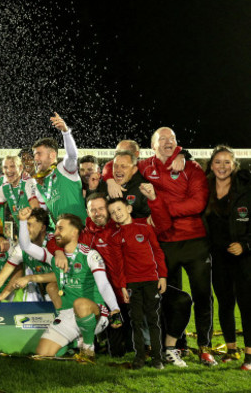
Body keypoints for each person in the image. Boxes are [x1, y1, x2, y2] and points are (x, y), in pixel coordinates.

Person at [133, 127, 215, 365]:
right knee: (168, 296)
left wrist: (160, 210)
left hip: (194, 242)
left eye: (173, 139)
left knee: (202, 295)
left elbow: (197, 203)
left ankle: (205, 347)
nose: (169, 143)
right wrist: (108, 180)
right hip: (165, 243)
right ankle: (176, 345)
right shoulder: (145, 167)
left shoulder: (191, 168)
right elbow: (117, 166)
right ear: (153, 145)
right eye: (163, 139)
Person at [17, 211, 123, 361]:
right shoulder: (53, 257)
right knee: (42, 355)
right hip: (67, 314)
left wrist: (115, 309)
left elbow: (104, 284)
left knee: (80, 304)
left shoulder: (90, 255)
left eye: (61, 228)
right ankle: (75, 341)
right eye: (56, 229)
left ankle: (88, 347)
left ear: (74, 232)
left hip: (96, 314)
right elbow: (26, 246)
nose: (56, 233)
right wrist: (22, 221)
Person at [0, 208, 59, 319]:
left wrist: (30, 278)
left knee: (51, 287)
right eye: (24, 225)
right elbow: (1, 277)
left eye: (30, 225)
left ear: (42, 228)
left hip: (65, 285)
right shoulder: (20, 249)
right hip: (41, 285)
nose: (25, 230)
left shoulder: (55, 245)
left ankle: (66, 324)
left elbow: (64, 275)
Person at [204, 145, 251, 370]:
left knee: (247, 304)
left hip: (242, 257)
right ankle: (231, 350)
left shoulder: (245, 189)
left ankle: (250, 356)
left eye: (227, 162)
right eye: (218, 162)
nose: (222, 166)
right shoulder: (205, 188)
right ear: (211, 165)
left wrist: (245, 245)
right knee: (225, 303)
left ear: (234, 165)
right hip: (217, 256)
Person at [107, 198, 167, 369]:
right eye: (113, 212)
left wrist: (162, 275)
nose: (117, 214)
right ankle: (139, 356)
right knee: (136, 321)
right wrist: (122, 287)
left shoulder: (145, 228)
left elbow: (157, 251)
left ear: (129, 208)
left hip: (151, 280)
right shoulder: (115, 237)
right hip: (133, 283)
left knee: (153, 319)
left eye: (119, 209)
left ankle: (157, 357)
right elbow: (118, 265)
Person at [31, 113, 86, 223]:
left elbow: (72, 155)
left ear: (52, 155)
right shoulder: (39, 184)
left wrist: (65, 132)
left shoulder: (64, 169)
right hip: (61, 234)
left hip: (82, 232)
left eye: (39, 154)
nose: (35, 158)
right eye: (34, 155)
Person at [0, 156, 39, 234]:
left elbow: (38, 212)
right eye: (5, 167)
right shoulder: (4, 188)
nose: (9, 170)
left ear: (20, 168)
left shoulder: (29, 182)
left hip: (40, 234)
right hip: (25, 236)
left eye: (12, 166)